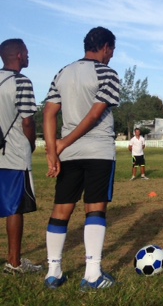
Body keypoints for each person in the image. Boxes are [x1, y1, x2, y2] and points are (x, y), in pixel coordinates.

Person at [43, 26, 120, 291]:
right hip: (98, 150)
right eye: (112, 51)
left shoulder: (63, 72)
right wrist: (62, 143)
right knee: (95, 208)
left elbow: (49, 113)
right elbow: (95, 115)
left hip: (69, 154)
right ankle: (92, 275)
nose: (111, 56)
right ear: (106, 47)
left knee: (61, 209)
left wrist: (54, 150)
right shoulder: (107, 73)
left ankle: (53, 273)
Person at [0, 39, 42, 274]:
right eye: (26, 52)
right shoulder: (21, 82)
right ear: (17, 55)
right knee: (14, 206)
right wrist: (31, 143)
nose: (28, 56)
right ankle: (14, 262)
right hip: (13, 154)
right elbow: (27, 121)